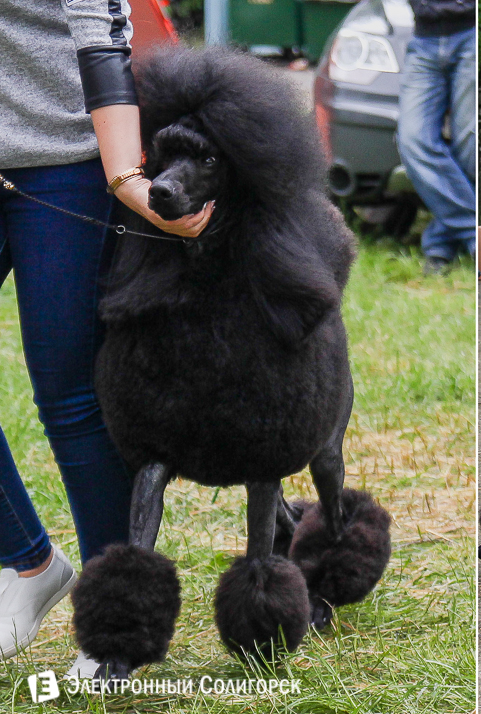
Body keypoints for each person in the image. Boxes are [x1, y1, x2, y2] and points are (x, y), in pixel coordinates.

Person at [0, 0, 209, 671]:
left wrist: (126, 179)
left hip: (63, 157)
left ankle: (120, 619)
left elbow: (102, 28)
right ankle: (30, 563)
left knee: (69, 393)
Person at [398, 0, 476, 275]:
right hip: (424, 38)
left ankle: (441, 245)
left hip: (471, 31)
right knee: (412, 140)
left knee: (469, 144)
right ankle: (474, 235)